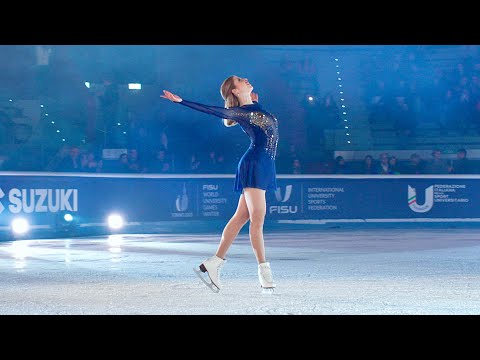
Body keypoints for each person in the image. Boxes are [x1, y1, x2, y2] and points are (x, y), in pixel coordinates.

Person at [161, 75, 278, 293]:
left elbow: (262, 118)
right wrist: (181, 101)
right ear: (234, 90)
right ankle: (264, 271)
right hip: (254, 164)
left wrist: (253, 100)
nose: (246, 79)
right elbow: (213, 110)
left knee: (241, 217)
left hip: (264, 165)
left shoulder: (253, 105)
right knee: (258, 219)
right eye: (241, 80)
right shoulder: (240, 112)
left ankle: (214, 263)